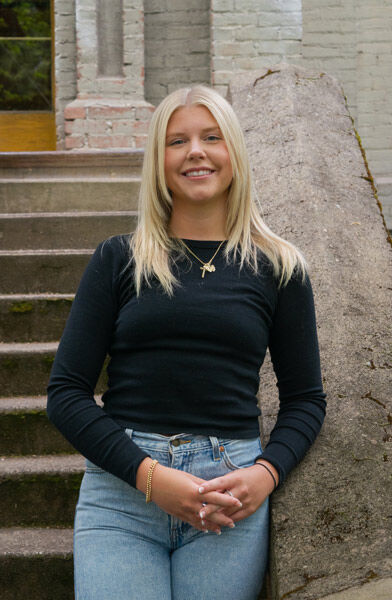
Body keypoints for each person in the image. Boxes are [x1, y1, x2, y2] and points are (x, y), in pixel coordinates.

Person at [47, 84, 326, 600]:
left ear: (234, 153)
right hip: (123, 494)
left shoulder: (279, 266)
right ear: (159, 161)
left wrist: (266, 473)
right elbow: (65, 393)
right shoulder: (118, 259)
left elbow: (306, 400)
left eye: (211, 137)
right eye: (177, 141)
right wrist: (151, 477)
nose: (195, 151)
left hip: (230, 498)